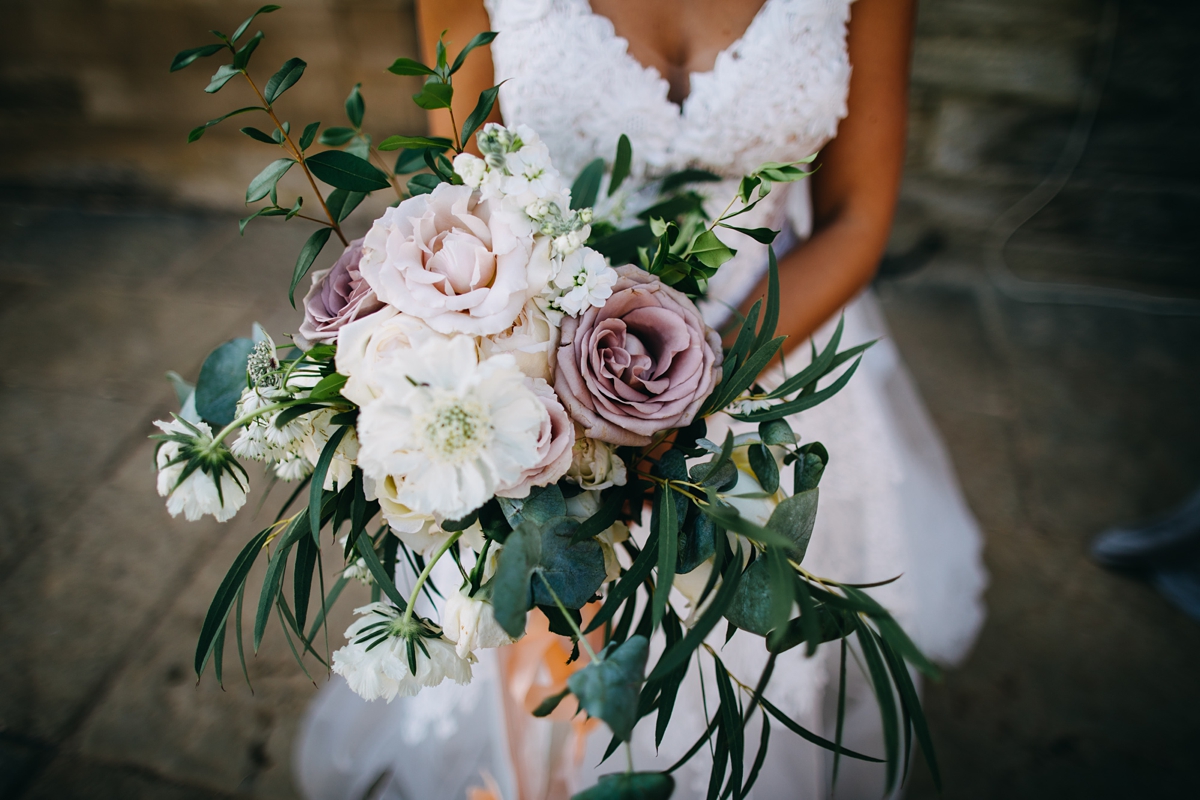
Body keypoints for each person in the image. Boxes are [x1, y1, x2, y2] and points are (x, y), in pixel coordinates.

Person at [294, 1, 988, 797]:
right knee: (541, 660)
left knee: (745, 653)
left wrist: (684, 393)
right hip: (545, 377)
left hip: (772, 342)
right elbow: (471, 187)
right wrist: (546, 394)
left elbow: (855, 216)